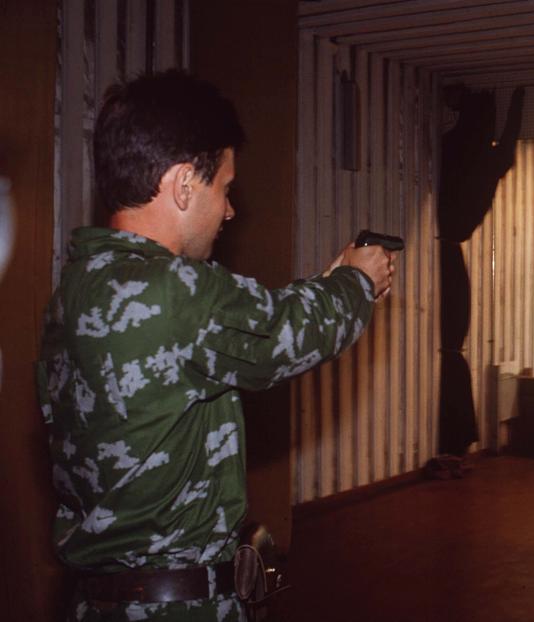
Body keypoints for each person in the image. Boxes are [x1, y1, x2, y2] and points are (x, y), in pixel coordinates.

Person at [35, 70, 393, 621]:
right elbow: (284, 333)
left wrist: (321, 286)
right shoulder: (172, 291)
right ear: (183, 184)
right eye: (224, 188)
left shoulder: (82, 285)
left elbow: (243, 325)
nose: (228, 210)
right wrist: (358, 282)